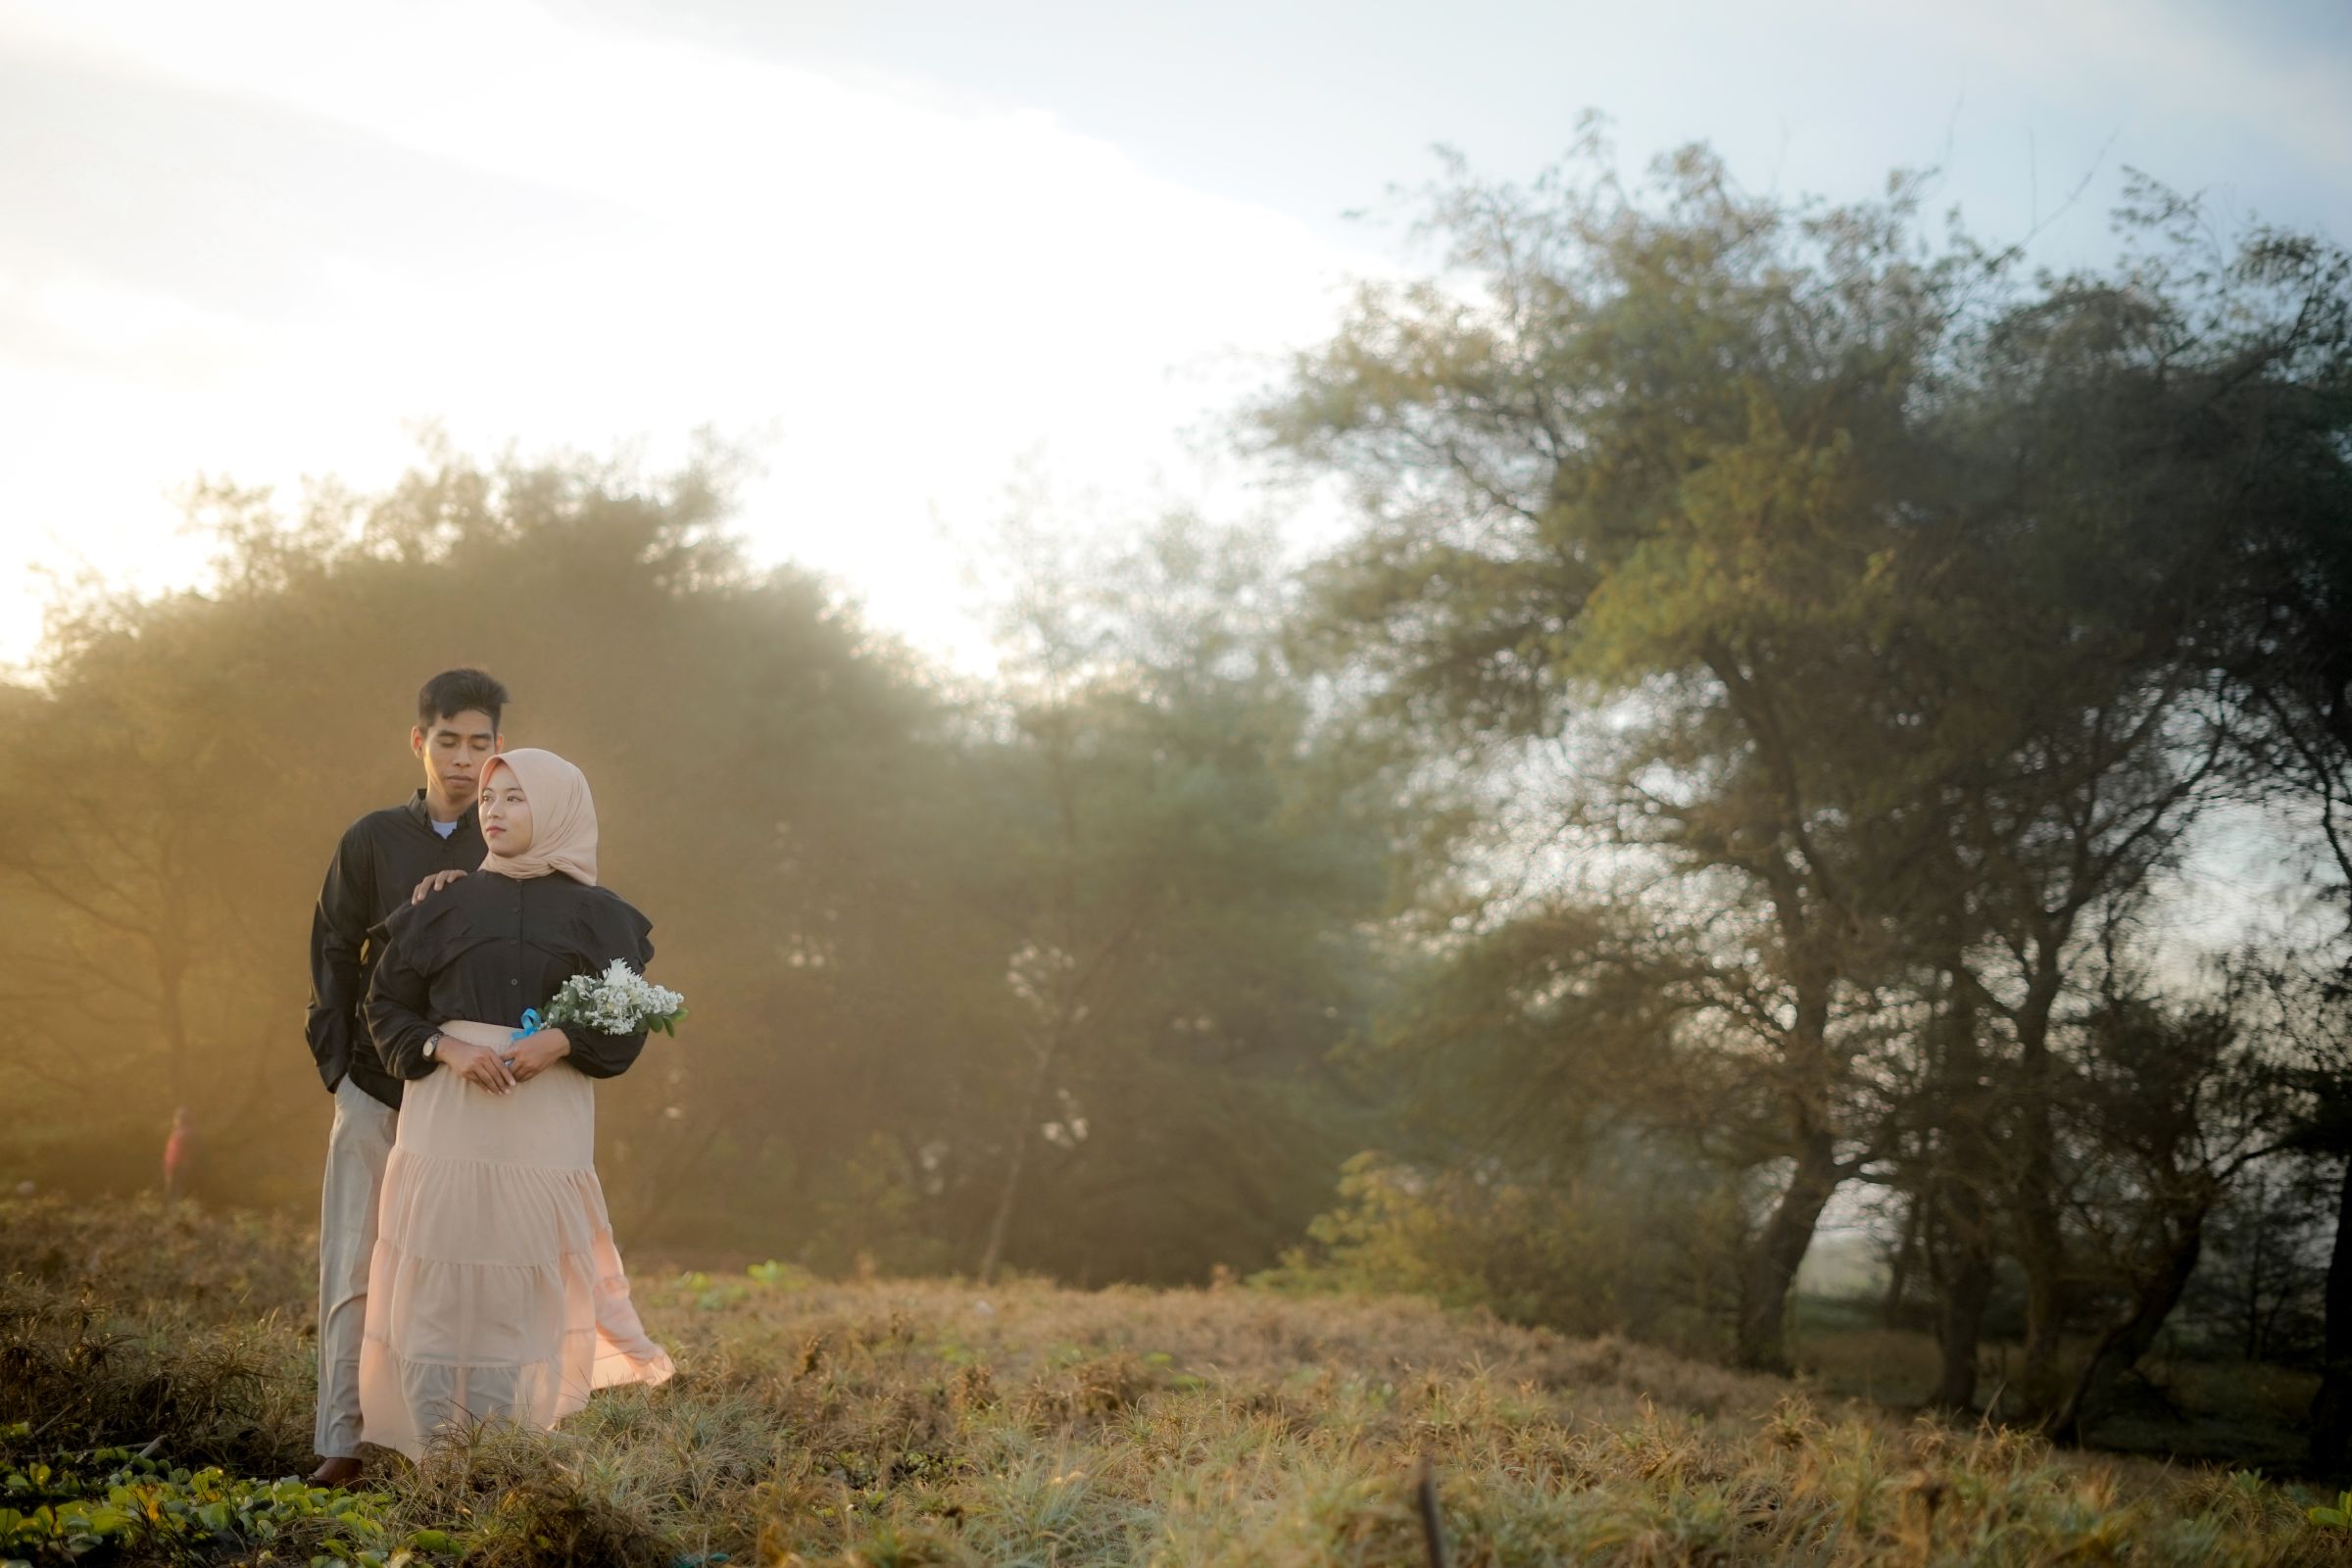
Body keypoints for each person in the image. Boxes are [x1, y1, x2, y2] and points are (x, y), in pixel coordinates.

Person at [357, 747, 673, 1459]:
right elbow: (384, 1006)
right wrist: (447, 1048)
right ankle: (438, 1456)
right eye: (488, 799)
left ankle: (506, 1454)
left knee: (521, 1288)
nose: (493, 812)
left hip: (542, 1128)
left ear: (559, 808)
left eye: (515, 798)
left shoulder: (601, 915)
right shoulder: (444, 902)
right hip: (448, 1122)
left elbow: (626, 1026)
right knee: (440, 1285)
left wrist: (559, 1041)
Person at [304, 668, 507, 1487]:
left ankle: (448, 1446)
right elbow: (333, 947)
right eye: (448, 741)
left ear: (499, 750)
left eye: (480, 744)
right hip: (374, 1079)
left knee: (454, 1272)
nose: (463, 760)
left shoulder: (514, 841)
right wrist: (338, 1068)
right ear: (420, 741)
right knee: (354, 1260)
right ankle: (342, 1442)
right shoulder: (373, 839)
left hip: (464, 1095)